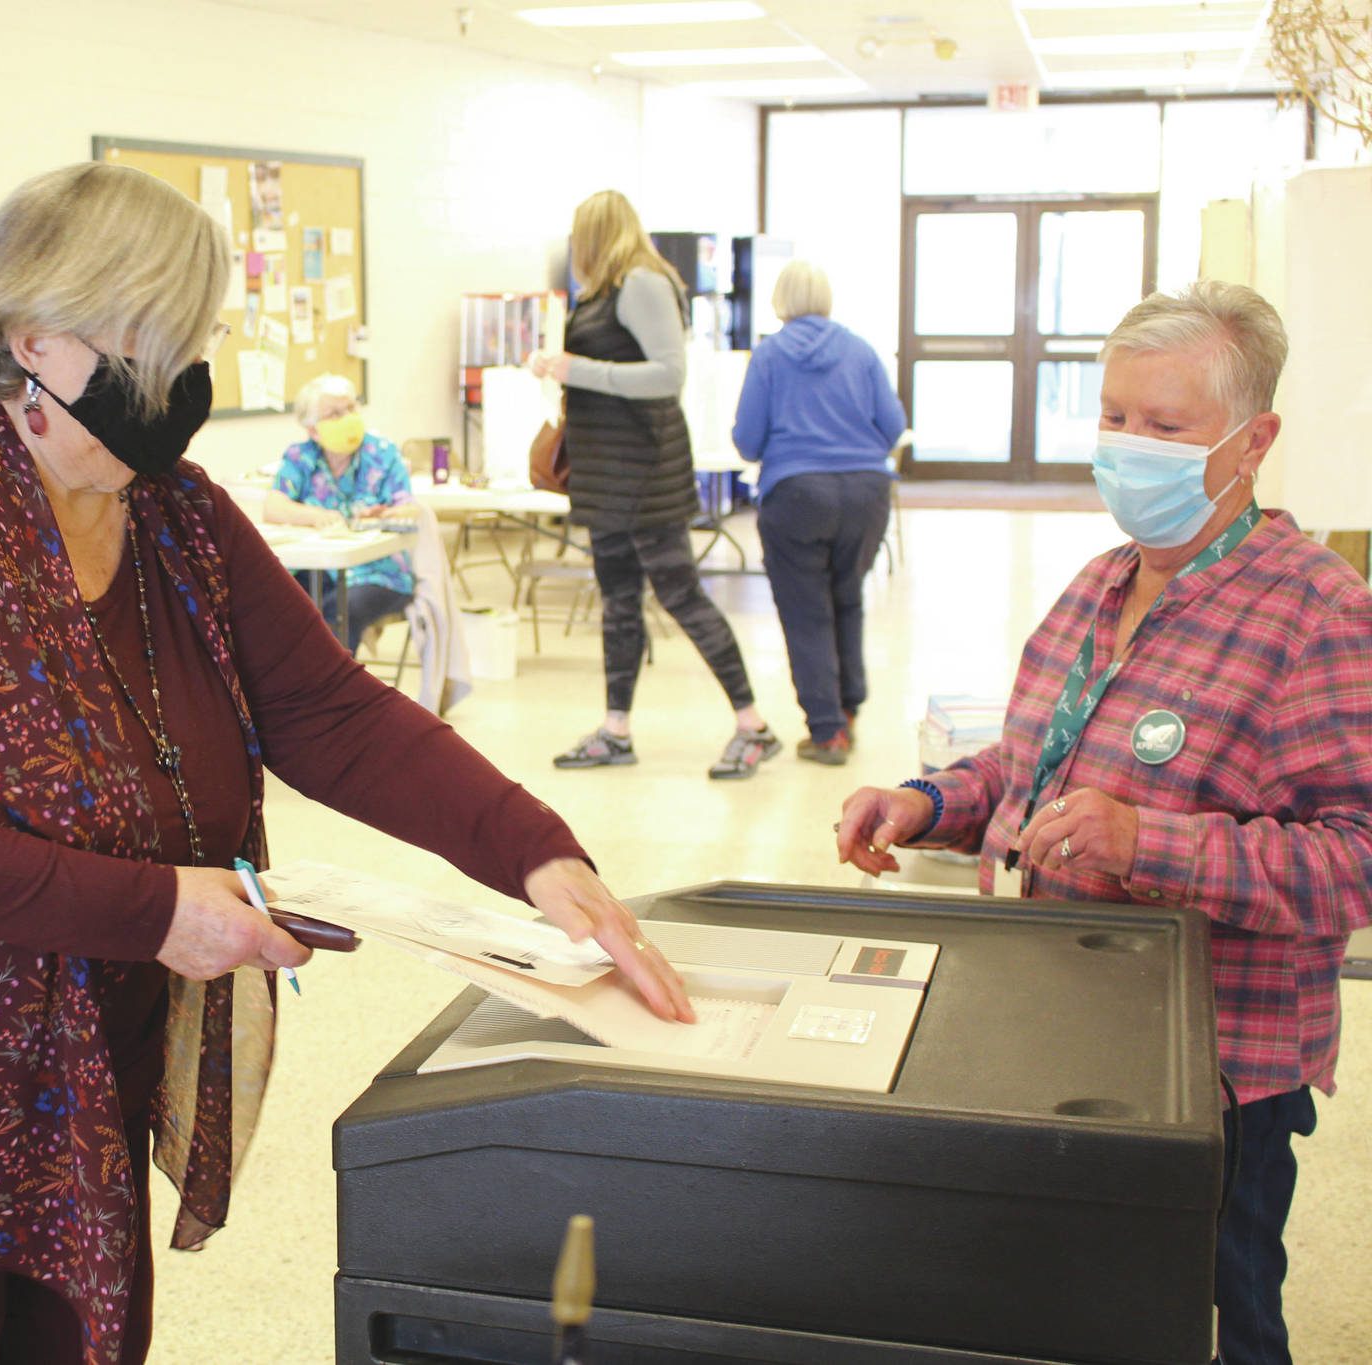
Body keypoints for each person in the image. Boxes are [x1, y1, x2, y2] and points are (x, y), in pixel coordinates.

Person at [0, 162, 693, 1365]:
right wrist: (153, 907)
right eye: (144, 354)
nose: (171, 391)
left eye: (189, 352)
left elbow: (330, 713)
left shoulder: (174, 514)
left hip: (70, 1065)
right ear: (31, 343)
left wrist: (533, 852)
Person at [835, 281, 1372, 1365]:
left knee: (1215, 1314)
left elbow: (1355, 863)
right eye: (1114, 417)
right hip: (1061, 1030)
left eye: (1163, 427)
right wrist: (924, 804)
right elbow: (1025, 764)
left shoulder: (1317, 615)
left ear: (1249, 440)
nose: (1126, 447)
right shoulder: (1100, 582)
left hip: (1211, 1074)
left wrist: (1146, 844)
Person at [526, 189, 778, 779]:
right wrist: (559, 369)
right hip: (606, 473)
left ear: (592, 235)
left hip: (644, 473)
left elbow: (667, 376)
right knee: (618, 604)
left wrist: (574, 368)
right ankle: (616, 729)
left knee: (680, 595)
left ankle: (753, 725)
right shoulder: (608, 289)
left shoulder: (642, 282)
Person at [731, 260, 906, 766]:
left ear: (779, 300)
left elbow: (747, 440)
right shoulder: (860, 349)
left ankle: (826, 731)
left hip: (797, 494)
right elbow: (893, 427)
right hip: (866, 494)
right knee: (847, 596)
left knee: (806, 612)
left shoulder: (768, 355)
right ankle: (848, 710)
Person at [263, 373, 415, 652]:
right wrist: (315, 516)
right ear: (313, 430)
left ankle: (335, 690)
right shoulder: (301, 457)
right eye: (334, 414)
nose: (347, 418)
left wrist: (383, 515)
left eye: (351, 408)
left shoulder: (382, 452)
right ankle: (291, 689)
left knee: (339, 610)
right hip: (316, 568)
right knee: (274, 603)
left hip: (378, 572)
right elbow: (273, 507)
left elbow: (409, 509)